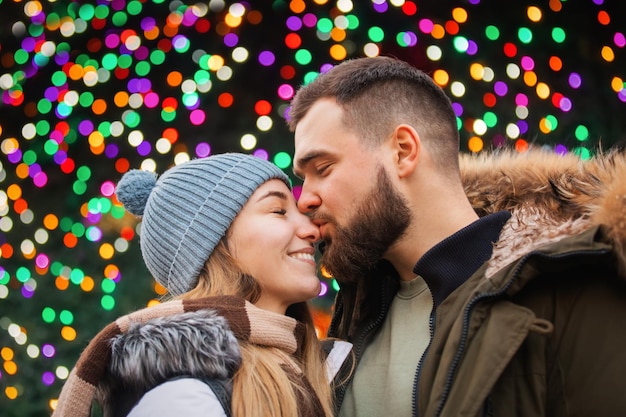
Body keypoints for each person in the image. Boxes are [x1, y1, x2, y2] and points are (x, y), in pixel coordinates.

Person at [287, 55, 626, 417]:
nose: (305, 198)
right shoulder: (355, 309)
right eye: (302, 177)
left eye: (322, 168)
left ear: (403, 151)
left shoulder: (570, 287)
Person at [51, 153, 351, 417]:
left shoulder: (317, 372)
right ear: (214, 247)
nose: (312, 228)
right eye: (278, 210)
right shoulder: (182, 398)